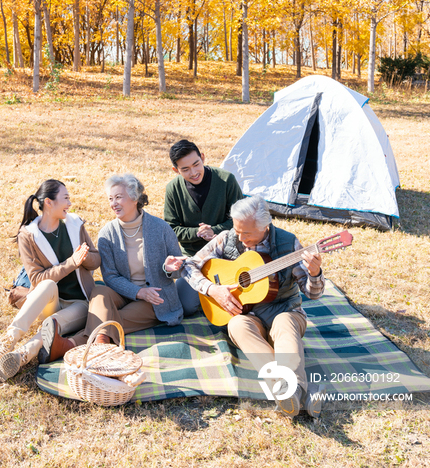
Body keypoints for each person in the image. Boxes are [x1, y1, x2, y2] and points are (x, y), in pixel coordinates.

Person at [181, 194, 325, 418]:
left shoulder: (289, 244)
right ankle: (299, 392)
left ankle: (290, 390)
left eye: (246, 233)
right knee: (237, 325)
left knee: (284, 323)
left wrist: (315, 274)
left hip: (284, 310)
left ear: (265, 226)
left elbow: (312, 293)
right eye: (238, 230)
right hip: (248, 314)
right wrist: (212, 289)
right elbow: (189, 264)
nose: (240, 237)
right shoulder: (227, 238)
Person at [39, 173, 184, 356]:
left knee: (106, 319)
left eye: (118, 197)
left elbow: (180, 270)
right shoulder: (107, 233)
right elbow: (110, 276)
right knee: (99, 291)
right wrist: (138, 292)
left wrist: (169, 270)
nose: (113, 203)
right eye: (110, 198)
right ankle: (98, 347)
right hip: (124, 293)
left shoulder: (161, 228)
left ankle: (70, 345)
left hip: (155, 298)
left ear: (134, 197)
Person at [0, 179, 100, 381]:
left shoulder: (75, 224)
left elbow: (96, 260)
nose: (69, 203)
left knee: (52, 324)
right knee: (48, 284)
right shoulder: (28, 235)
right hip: (50, 301)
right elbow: (36, 278)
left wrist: (85, 257)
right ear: (49, 203)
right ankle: (4, 345)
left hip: (79, 303)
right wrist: (71, 263)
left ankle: (22, 355)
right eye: (65, 198)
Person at [164, 139, 243, 314]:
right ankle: (209, 291)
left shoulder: (226, 180)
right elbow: (170, 228)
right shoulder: (173, 189)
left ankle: (211, 291)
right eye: (185, 169)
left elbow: (241, 220)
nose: (193, 172)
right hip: (192, 259)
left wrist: (214, 231)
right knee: (187, 306)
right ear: (175, 170)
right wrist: (198, 233)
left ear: (203, 158)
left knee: (240, 298)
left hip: (227, 253)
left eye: (196, 164)